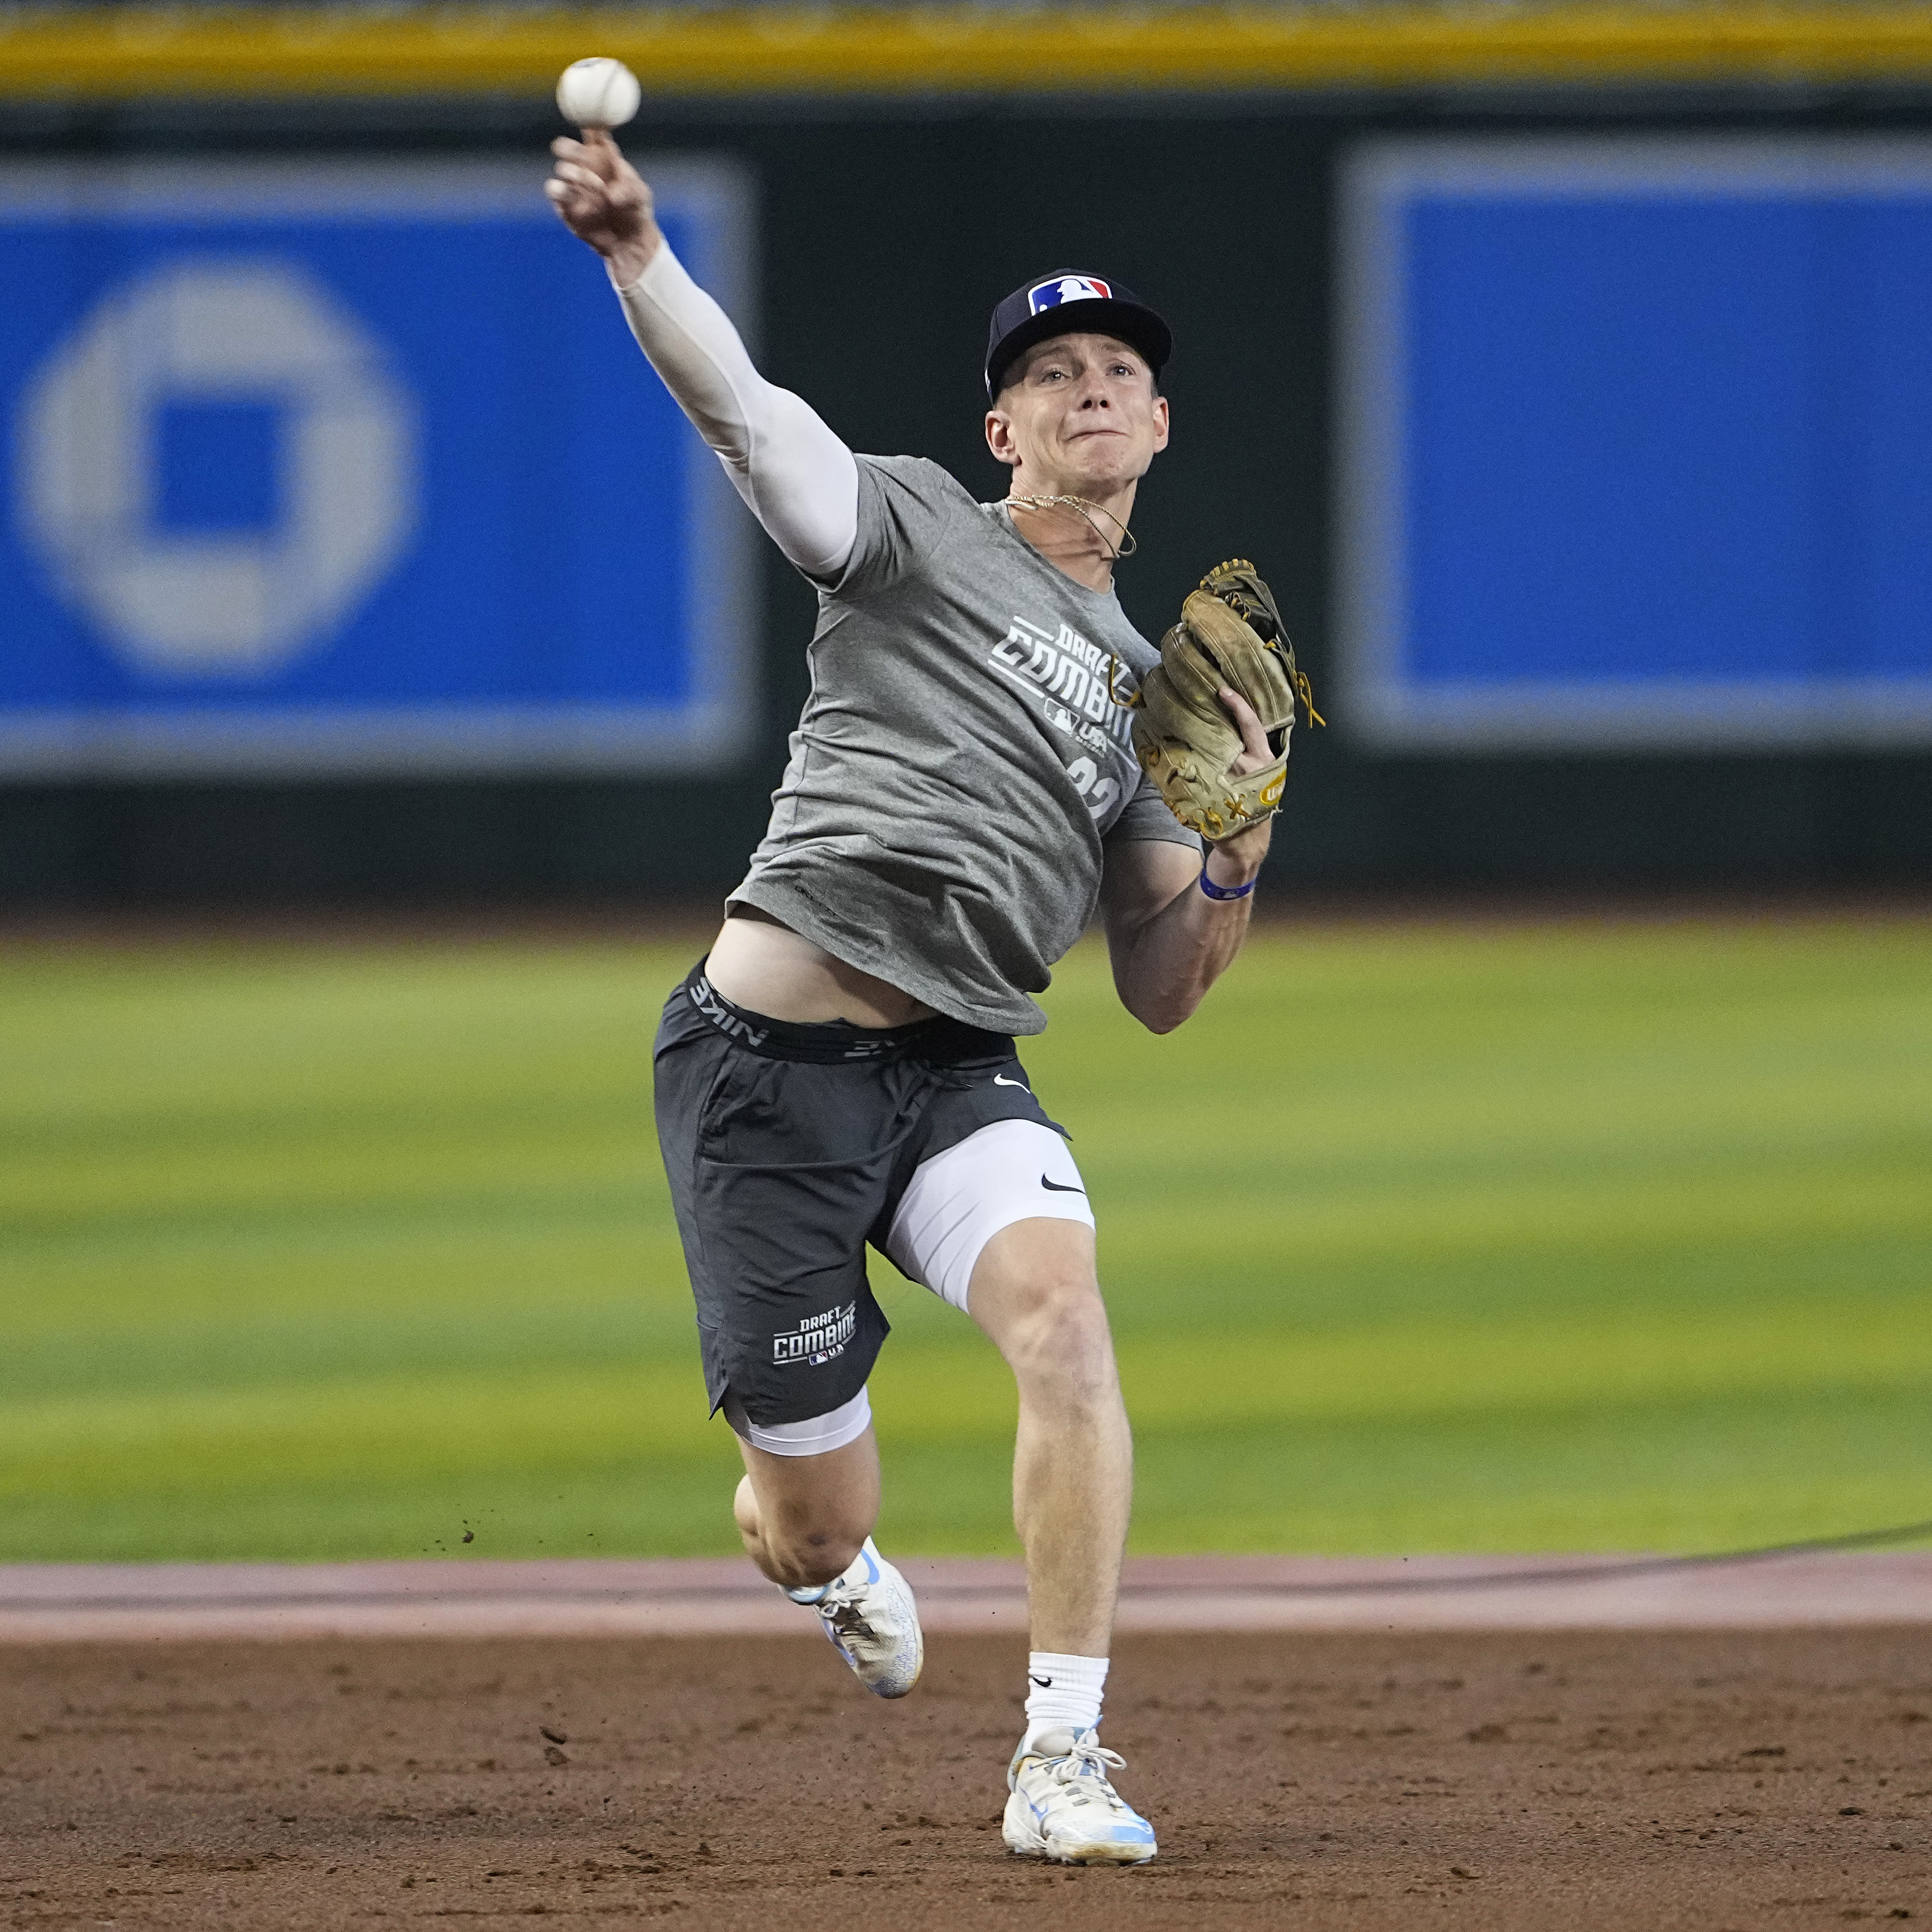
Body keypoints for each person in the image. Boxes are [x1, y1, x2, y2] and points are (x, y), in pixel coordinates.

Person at [547, 128, 1280, 1868]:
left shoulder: (1151, 691)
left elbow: (1165, 989)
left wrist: (1238, 844)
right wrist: (639, 254)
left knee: (1067, 1324)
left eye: (1118, 370)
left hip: (959, 1065)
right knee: (813, 1522)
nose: (1091, 388)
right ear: (1001, 431)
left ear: (1158, 425)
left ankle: (1062, 1759)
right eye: (1051, 373)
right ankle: (822, 1562)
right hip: (764, 1071)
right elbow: (746, 416)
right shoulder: (910, 529)